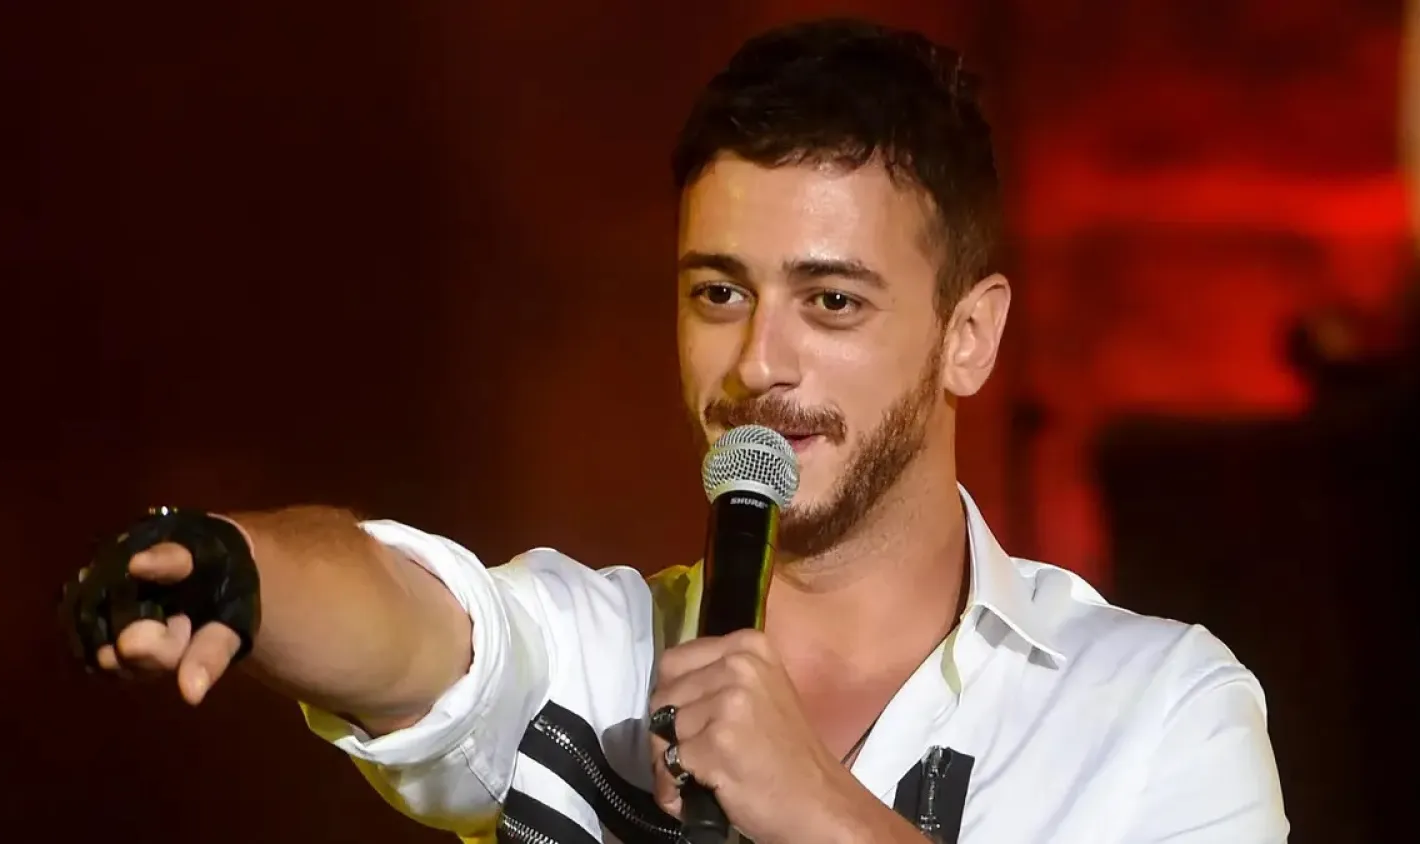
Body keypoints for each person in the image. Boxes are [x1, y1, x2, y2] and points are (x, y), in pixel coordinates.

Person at [73, 18, 1288, 844]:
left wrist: (820, 812)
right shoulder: (600, 656)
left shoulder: (1155, 709)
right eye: (718, 292)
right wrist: (236, 568)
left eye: (832, 301)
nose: (760, 361)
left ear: (968, 335)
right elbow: (406, 617)